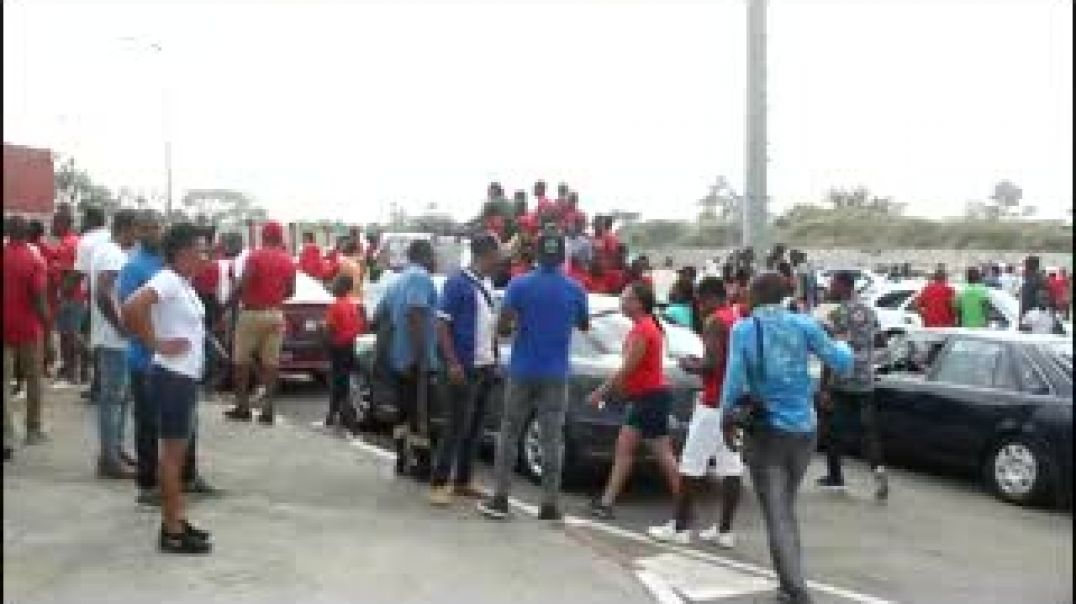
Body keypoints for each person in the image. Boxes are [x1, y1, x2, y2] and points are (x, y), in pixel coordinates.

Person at [719, 272, 853, 604]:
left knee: (778, 514)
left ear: (756, 295)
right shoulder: (805, 325)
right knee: (784, 508)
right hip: (805, 431)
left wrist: (726, 419)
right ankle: (787, 584)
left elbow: (734, 381)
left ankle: (796, 588)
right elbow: (842, 362)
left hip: (767, 432)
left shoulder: (744, 329)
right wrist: (843, 342)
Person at [478, 229, 589, 521]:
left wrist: (518, 327)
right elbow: (584, 324)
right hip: (556, 372)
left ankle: (500, 499)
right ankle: (549, 505)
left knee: (510, 432)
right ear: (562, 256)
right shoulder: (575, 289)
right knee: (552, 438)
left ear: (536, 255)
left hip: (523, 369)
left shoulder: (519, 285)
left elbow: (503, 328)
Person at [121, 222, 213, 554]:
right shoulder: (168, 279)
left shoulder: (183, 284)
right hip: (172, 377)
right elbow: (131, 307)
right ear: (183, 251)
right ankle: (172, 531)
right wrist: (156, 343)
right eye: (200, 249)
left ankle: (175, 519)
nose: (205, 256)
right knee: (173, 458)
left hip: (182, 378)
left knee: (177, 454)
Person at [649, 277, 744, 547]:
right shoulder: (736, 318)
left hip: (713, 403)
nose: (699, 308)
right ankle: (725, 531)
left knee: (690, 465)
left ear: (710, 297)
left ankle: (679, 527)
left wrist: (690, 364)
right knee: (731, 467)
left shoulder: (716, 321)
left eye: (700, 301)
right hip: (733, 403)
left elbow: (712, 364)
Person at [586, 282, 681, 519]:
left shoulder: (643, 330)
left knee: (662, 454)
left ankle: (684, 505)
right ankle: (606, 502)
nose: (622, 301)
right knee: (626, 450)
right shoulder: (646, 327)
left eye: (627, 298)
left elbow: (628, 368)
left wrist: (602, 391)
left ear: (638, 303)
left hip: (650, 398)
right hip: (645, 397)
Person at [429, 234, 501, 505]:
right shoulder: (457, 283)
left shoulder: (487, 283)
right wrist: (452, 362)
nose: (500, 259)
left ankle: (463, 480)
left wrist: (493, 356)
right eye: (497, 254)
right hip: (463, 366)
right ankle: (439, 481)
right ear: (486, 255)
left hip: (484, 365)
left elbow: (489, 325)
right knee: (456, 426)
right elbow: (442, 324)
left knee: (474, 427)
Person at [815, 271, 888, 500]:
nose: (830, 289)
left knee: (832, 428)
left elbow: (830, 351)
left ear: (845, 287)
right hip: (865, 379)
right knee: (869, 430)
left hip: (842, 378)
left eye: (833, 285)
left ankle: (835, 477)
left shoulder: (837, 314)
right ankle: (878, 469)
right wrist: (867, 362)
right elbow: (881, 343)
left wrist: (824, 386)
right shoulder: (869, 311)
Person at [223, 221, 296, 425]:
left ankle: (242, 407)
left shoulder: (255, 256)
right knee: (271, 364)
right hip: (275, 314)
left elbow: (243, 284)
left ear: (263, 236)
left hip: (252, 313)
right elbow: (291, 291)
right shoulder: (288, 260)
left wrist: (228, 304)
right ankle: (268, 410)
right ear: (280, 237)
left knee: (241, 362)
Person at [383, 239, 439, 478]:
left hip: (398, 356)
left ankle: (401, 459)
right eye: (433, 255)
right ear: (425, 255)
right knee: (420, 413)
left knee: (403, 412)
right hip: (415, 358)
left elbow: (381, 316)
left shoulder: (397, 281)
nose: (435, 260)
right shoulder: (419, 277)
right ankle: (422, 464)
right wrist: (421, 355)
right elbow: (416, 312)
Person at [90, 209, 139, 478]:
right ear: (126, 228)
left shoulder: (108, 251)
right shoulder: (112, 254)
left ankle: (115, 450)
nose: (137, 236)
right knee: (113, 399)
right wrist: (121, 327)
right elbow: (102, 292)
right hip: (114, 339)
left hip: (114, 337)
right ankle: (109, 459)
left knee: (120, 398)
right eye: (136, 230)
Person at [4, 216, 50, 460]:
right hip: (28, 329)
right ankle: (32, 429)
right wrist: (49, 330)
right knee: (33, 380)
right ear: (26, 234)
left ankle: (5, 435)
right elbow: (40, 299)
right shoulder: (34, 260)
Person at [73, 206, 111, 404]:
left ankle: (100, 386)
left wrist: (65, 291)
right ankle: (101, 384)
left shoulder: (86, 241)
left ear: (90, 220)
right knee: (106, 340)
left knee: (90, 339)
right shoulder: (111, 236)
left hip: (96, 297)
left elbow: (80, 272)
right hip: (116, 295)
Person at [323, 273, 366, 431]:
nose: (332, 286)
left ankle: (338, 415)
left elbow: (329, 329)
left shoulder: (335, 306)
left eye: (335, 283)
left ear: (342, 287)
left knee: (337, 382)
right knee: (345, 382)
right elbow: (359, 327)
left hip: (338, 347)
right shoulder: (352, 305)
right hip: (350, 346)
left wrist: (326, 345)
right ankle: (339, 414)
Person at [52, 210, 86, 386]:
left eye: (55, 222)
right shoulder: (74, 241)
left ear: (63, 223)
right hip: (75, 296)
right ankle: (73, 371)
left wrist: (63, 295)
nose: (52, 226)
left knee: (70, 335)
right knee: (69, 335)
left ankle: (72, 374)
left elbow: (71, 274)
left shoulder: (68, 244)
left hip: (71, 297)